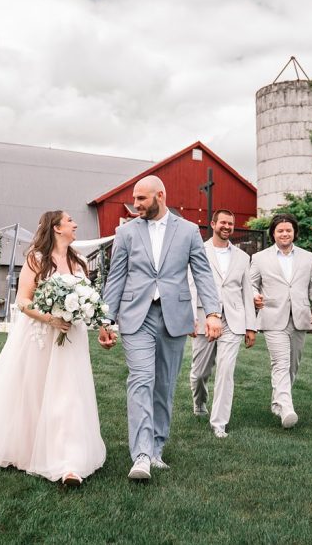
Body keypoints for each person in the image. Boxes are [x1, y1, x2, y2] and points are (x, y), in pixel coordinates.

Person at [0, 211, 105, 487]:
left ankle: (70, 461)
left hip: (72, 339)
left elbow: (88, 300)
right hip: (42, 335)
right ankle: (29, 448)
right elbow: (23, 301)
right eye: (70, 221)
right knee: (34, 394)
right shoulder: (36, 259)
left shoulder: (79, 263)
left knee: (70, 395)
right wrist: (51, 318)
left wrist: (90, 316)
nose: (75, 224)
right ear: (56, 228)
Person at [99, 176, 222, 481]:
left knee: (164, 385)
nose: (136, 205)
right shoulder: (125, 232)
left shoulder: (189, 231)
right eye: (135, 199)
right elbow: (116, 277)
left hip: (174, 317)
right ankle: (140, 455)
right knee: (141, 379)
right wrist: (105, 319)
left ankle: (156, 448)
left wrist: (212, 313)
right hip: (135, 316)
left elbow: (203, 274)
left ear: (160, 196)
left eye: (141, 199)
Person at [249, 213, 312, 430]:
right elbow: (251, 284)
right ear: (273, 233)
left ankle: (278, 402)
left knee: (293, 364)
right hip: (273, 316)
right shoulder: (260, 258)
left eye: (288, 230)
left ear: (294, 233)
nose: (284, 233)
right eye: (280, 230)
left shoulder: (308, 257)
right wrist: (254, 295)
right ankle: (287, 408)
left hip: (300, 317)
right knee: (280, 363)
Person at [188, 209, 258, 438]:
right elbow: (190, 284)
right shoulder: (198, 250)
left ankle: (219, 422)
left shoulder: (242, 257)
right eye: (223, 223)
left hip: (233, 320)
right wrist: (190, 316)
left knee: (226, 371)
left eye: (231, 223)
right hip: (204, 317)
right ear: (213, 224)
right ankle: (200, 402)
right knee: (199, 373)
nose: (227, 227)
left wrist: (251, 326)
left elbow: (247, 292)